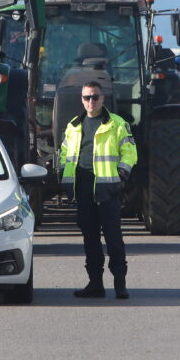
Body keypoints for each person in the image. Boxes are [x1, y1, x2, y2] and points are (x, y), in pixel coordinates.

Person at [59, 82, 137, 299]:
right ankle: (95, 284)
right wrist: (63, 175)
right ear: (81, 100)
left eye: (94, 97)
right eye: (86, 98)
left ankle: (120, 284)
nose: (90, 102)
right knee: (90, 239)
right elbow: (65, 153)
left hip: (108, 190)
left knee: (113, 238)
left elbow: (129, 153)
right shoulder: (73, 126)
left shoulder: (117, 124)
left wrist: (120, 178)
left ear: (103, 99)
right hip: (84, 191)